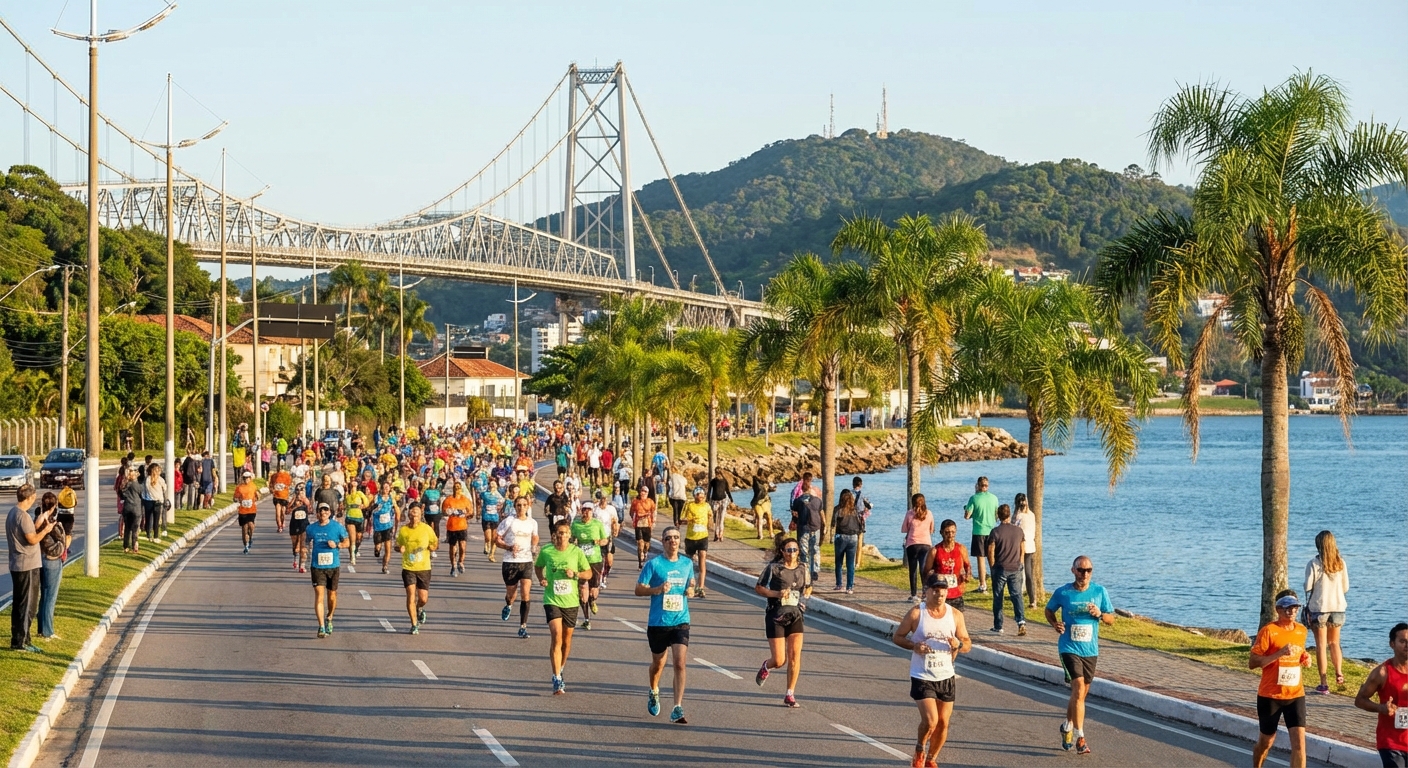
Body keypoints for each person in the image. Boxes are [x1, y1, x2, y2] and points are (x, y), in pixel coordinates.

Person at [892, 572, 972, 768]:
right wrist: (914, 646)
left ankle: (931, 759)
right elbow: (898, 637)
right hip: (922, 675)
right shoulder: (916, 614)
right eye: (935, 590)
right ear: (926, 591)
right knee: (931, 721)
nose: (940, 595)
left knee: (943, 723)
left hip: (946, 675)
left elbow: (968, 643)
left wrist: (958, 644)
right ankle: (920, 749)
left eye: (943, 591)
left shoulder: (955, 615)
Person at [1044, 555, 1114, 756]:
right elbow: (1049, 610)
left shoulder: (1100, 592)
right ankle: (1080, 737)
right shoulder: (1063, 592)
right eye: (1081, 570)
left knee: (1080, 695)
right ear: (1073, 570)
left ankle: (1067, 725)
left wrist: (1099, 614)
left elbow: (1111, 619)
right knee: (1078, 687)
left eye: (1088, 570)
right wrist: (1054, 623)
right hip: (1068, 648)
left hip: (1090, 651)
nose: (1085, 574)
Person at [636, 525, 695, 724]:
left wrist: (691, 590)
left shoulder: (687, 564)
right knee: (658, 663)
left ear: (680, 541)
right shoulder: (653, 565)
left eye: (676, 537)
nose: (673, 541)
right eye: (669, 538)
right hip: (658, 622)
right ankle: (654, 690)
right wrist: (658, 589)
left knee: (679, 662)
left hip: (680, 620)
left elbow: (691, 584)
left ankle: (677, 707)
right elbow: (638, 589)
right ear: (662, 542)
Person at [1250, 590, 1311, 768]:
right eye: (1286, 608)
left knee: (1299, 744)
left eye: (1294, 608)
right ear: (1278, 609)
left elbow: (1299, 652)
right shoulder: (1269, 631)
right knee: (1266, 742)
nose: (1291, 611)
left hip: (1295, 694)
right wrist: (1279, 653)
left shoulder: (1301, 630)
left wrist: (1304, 657)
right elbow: (1253, 662)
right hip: (1270, 696)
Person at [754, 535, 812, 708]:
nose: (792, 553)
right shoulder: (773, 569)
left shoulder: (803, 568)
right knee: (780, 661)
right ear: (782, 552)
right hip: (776, 615)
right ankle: (767, 666)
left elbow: (808, 585)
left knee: (795, 656)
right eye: (788, 550)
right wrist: (777, 594)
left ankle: (790, 693)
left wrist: (806, 594)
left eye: (795, 550)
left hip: (795, 615)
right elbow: (759, 588)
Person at [535, 520, 591, 695]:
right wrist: (541, 579)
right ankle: (556, 677)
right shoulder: (547, 551)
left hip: (571, 601)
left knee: (566, 641)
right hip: (552, 599)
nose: (563, 536)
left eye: (566, 533)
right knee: (556, 635)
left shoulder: (576, 552)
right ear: (555, 534)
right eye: (560, 532)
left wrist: (575, 574)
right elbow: (538, 567)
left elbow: (588, 573)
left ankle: (561, 668)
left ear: (569, 535)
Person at [1352, 622, 1408, 768]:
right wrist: (1381, 708)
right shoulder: (1382, 672)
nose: (1407, 645)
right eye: (1403, 641)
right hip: (1391, 743)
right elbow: (1360, 700)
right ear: (1392, 644)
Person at [1304, 530, 1350, 694]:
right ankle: (1338, 672)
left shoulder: (1314, 564)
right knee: (1334, 643)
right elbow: (1346, 587)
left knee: (1321, 645)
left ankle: (1323, 683)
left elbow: (1307, 586)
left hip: (1319, 608)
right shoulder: (1341, 563)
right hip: (1338, 607)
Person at [7, 485, 50, 652]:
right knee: (28, 604)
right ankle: (21, 641)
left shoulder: (12, 512)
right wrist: (45, 530)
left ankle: (22, 637)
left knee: (20, 603)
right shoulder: (23, 516)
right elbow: (32, 539)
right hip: (27, 565)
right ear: (30, 498)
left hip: (17, 564)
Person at [495, 497, 541, 639]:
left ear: (528, 506)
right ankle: (508, 604)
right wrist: (508, 547)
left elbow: (535, 537)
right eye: (519, 505)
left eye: (524, 505)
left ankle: (523, 626)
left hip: (526, 562)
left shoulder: (532, 522)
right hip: (510, 562)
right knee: (511, 594)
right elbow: (497, 540)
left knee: (526, 594)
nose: (521, 508)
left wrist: (534, 546)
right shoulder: (509, 521)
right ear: (515, 506)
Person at [305, 502, 348, 638]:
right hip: (317, 567)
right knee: (319, 596)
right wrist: (303, 550)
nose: (323, 513)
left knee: (332, 596)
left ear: (329, 512)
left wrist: (337, 544)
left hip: (333, 566)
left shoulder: (337, 527)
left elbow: (347, 542)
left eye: (325, 510)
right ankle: (321, 626)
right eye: (320, 511)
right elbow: (305, 541)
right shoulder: (311, 528)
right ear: (317, 513)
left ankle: (329, 616)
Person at [395, 502, 438, 634]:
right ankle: (414, 624)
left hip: (424, 567)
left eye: (417, 511)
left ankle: (419, 608)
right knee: (411, 595)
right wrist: (399, 548)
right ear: (409, 514)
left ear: (420, 514)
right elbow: (397, 545)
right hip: (408, 567)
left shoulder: (426, 529)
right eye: (412, 511)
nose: (415, 514)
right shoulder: (403, 530)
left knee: (423, 598)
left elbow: (434, 543)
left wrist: (432, 548)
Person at [987, 504, 1027, 636]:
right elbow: (1022, 548)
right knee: (1016, 595)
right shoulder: (1019, 531)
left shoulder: (995, 532)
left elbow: (990, 551)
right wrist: (1020, 562)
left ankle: (998, 625)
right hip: (1015, 567)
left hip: (1001, 568)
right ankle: (1021, 621)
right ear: (1009, 515)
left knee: (998, 596)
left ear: (998, 516)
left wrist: (992, 566)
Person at [570, 502, 609, 630]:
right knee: (582, 590)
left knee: (593, 591)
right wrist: (572, 542)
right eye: (584, 510)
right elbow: (571, 539)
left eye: (589, 510)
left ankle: (593, 600)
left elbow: (605, 540)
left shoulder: (597, 524)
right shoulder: (576, 524)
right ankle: (587, 619)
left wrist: (598, 541)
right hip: (581, 562)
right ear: (581, 511)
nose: (586, 513)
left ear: (593, 512)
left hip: (595, 560)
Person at [35, 492, 67, 640]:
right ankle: (48, 631)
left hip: (41, 559)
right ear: (54, 506)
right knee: (50, 597)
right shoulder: (51, 522)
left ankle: (41, 628)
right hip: (52, 561)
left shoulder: (38, 519)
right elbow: (62, 540)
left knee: (44, 595)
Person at [924, 520, 971, 609]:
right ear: (941, 533)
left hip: (956, 593)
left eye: (953, 532)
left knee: (956, 621)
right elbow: (926, 572)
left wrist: (967, 575)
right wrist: (928, 589)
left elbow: (967, 566)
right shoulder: (935, 551)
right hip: (940, 594)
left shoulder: (961, 549)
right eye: (947, 532)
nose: (950, 535)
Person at [962, 476, 998, 592]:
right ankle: (996, 582)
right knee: (992, 559)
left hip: (979, 532)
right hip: (992, 531)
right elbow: (996, 516)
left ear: (977, 485)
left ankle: (983, 585)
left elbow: (967, 516)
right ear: (988, 485)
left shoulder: (974, 498)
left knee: (981, 560)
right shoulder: (994, 498)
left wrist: (968, 510)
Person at [901, 494, 935, 603]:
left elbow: (904, 528)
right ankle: (925, 594)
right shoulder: (929, 514)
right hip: (925, 544)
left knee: (913, 570)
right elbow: (932, 529)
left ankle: (914, 594)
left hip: (912, 544)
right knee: (924, 570)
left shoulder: (910, 513)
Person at [789, 483, 824, 583]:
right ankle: (815, 570)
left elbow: (794, 512)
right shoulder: (818, 500)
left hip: (803, 527)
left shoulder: (798, 501)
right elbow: (821, 513)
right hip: (815, 527)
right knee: (815, 549)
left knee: (804, 551)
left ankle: (805, 570)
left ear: (802, 489)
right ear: (810, 489)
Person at [831, 489, 864, 594]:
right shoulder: (854, 510)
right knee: (850, 563)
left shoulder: (838, 509)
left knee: (839, 562)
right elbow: (860, 523)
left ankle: (839, 584)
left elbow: (833, 523)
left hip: (841, 536)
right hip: (853, 537)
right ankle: (849, 587)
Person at [682, 487, 712, 598]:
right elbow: (682, 519)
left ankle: (701, 588)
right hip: (690, 537)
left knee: (702, 560)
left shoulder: (707, 506)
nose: (700, 497)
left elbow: (710, 518)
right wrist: (689, 520)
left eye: (702, 495)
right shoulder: (689, 505)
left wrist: (711, 525)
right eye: (698, 495)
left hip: (703, 537)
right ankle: (688, 585)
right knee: (688, 563)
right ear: (695, 496)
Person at [442, 482, 472, 577]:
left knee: (462, 547)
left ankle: (460, 562)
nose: (457, 489)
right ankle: (453, 565)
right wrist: (447, 512)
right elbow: (443, 511)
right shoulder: (448, 500)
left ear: (461, 489)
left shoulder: (465, 500)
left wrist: (465, 515)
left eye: (459, 488)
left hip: (462, 526)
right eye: (455, 487)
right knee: (452, 547)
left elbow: (471, 511)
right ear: (453, 489)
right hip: (452, 526)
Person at [1013, 493, 1037, 608]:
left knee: (1020, 573)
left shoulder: (1018, 516)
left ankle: (1020, 596)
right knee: (1028, 574)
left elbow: (1014, 529)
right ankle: (1032, 600)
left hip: (1021, 546)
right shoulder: (1032, 514)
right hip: (1030, 546)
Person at [369, 486, 400, 575]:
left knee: (388, 549)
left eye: (387, 488)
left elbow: (397, 510)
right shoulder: (376, 497)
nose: (386, 489)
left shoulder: (391, 499)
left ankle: (385, 566)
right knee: (378, 546)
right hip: (378, 526)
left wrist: (398, 518)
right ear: (381, 489)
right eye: (384, 488)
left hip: (388, 526)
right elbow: (369, 507)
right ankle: (377, 549)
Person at [630, 486, 657, 568]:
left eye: (645, 491)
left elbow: (654, 511)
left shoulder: (650, 502)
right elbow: (631, 512)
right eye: (642, 491)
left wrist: (654, 521)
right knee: (639, 543)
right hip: (638, 524)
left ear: (647, 493)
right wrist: (634, 519)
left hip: (647, 524)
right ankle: (640, 563)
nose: (643, 493)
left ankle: (645, 552)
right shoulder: (635, 501)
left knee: (646, 544)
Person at [343, 481, 369, 564]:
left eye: (355, 484)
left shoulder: (360, 493)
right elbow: (344, 506)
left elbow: (366, 502)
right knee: (352, 538)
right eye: (352, 484)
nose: (353, 485)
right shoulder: (347, 495)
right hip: (350, 517)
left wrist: (364, 506)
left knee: (359, 538)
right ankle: (352, 556)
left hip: (359, 518)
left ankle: (356, 549)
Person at [233, 471, 259, 554]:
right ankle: (246, 545)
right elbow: (235, 497)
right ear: (243, 479)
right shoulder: (239, 487)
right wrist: (236, 500)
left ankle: (251, 538)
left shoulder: (253, 486)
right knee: (244, 528)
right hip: (243, 511)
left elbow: (257, 495)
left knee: (251, 525)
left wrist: (257, 496)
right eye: (245, 478)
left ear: (250, 478)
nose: (246, 479)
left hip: (251, 510)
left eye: (248, 478)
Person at [480, 478, 505, 561]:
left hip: (495, 518)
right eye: (491, 484)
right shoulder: (485, 494)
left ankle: (492, 555)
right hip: (486, 517)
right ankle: (486, 543)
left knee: (494, 538)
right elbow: (479, 498)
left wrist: (499, 507)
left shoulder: (498, 495)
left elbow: (502, 501)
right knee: (488, 537)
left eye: (494, 484)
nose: (493, 485)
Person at [142, 462, 167, 542]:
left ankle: (148, 534)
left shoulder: (147, 479)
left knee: (148, 517)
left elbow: (145, 489)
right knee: (156, 520)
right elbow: (165, 488)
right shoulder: (160, 479)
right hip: (158, 501)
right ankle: (156, 536)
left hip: (148, 500)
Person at [120, 466, 143, 554]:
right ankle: (135, 545)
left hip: (127, 507)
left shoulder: (124, 484)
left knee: (127, 528)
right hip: (136, 508)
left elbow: (121, 494)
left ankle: (126, 546)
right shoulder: (136, 484)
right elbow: (141, 493)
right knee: (135, 528)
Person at [706, 469, 732, 543]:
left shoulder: (713, 481)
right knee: (721, 519)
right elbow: (727, 491)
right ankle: (721, 534)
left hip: (715, 501)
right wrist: (731, 499)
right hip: (723, 501)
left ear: (715, 472)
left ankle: (716, 534)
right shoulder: (724, 480)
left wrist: (707, 499)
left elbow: (709, 491)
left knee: (716, 518)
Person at [751, 471, 776, 539]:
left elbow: (774, 488)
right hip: (763, 502)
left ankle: (762, 534)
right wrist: (769, 484)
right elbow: (774, 488)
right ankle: (768, 534)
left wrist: (770, 485)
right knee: (767, 518)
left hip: (761, 502)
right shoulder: (758, 482)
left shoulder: (758, 482)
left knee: (762, 518)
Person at [269, 464, 293, 533]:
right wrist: (272, 490)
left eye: (282, 467)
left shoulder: (287, 476)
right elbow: (271, 485)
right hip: (277, 497)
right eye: (279, 467)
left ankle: (282, 523)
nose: (280, 469)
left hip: (284, 497)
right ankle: (279, 526)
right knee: (277, 513)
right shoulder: (274, 476)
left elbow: (290, 485)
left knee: (283, 512)